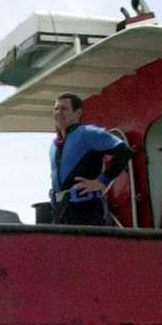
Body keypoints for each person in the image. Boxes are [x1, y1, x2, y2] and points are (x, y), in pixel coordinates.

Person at [50, 92, 132, 225]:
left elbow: (124, 152)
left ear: (78, 113)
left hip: (86, 210)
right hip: (61, 211)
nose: (59, 112)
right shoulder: (55, 144)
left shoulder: (88, 133)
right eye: (56, 109)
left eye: (64, 108)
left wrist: (102, 181)